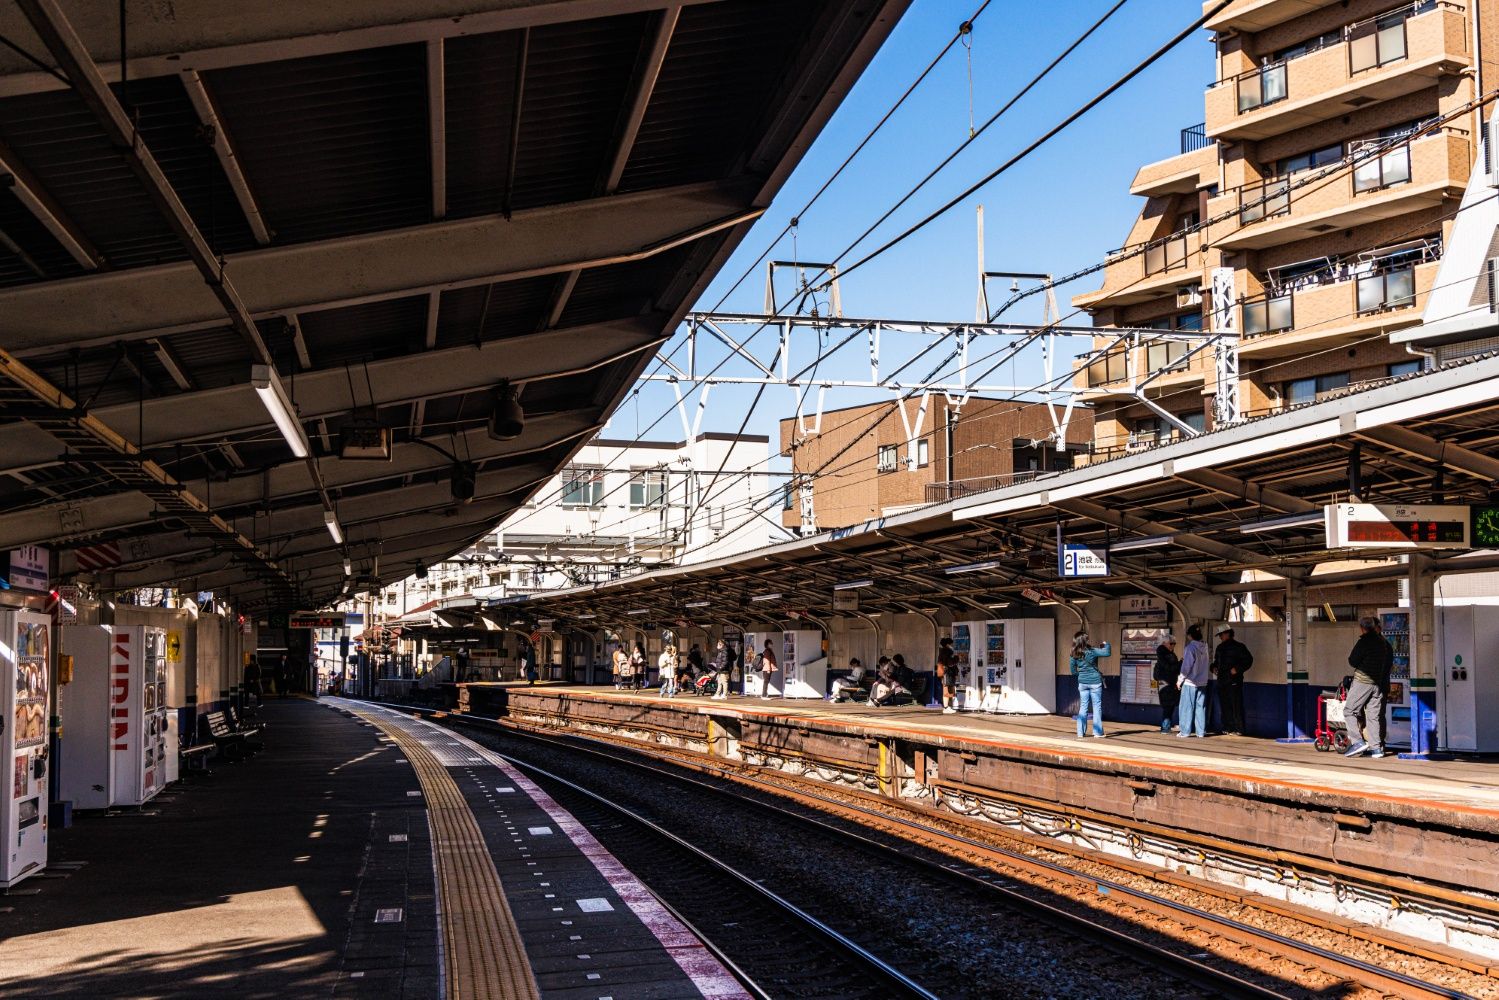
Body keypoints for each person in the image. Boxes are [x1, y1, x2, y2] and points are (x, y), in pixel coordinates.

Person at [1344, 616, 1394, 758]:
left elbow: (1352, 661)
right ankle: (1376, 749)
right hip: (1378, 684)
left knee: (1349, 711)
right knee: (1373, 716)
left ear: (1362, 628)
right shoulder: (1383, 643)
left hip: (1363, 681)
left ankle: (1357, 742)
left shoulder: (1364, 641)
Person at [1068, 631, 1112, 738]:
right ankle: (1097, 732)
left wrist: (1081, 675)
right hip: (1095, 683)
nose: (1089, 640)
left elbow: (1073, 671)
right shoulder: (1092, 651)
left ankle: (1080, 733)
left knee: (1083, 707)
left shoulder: (1073, 654)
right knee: (1097, 707)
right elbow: (1107, 653)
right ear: (1084, 640)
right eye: (1087, 639)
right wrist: (1106, 644)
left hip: (1082, 683)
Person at [1213, 626, 1254, 735]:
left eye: (1221, 635)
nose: (1220, 637)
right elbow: (1216, 662)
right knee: (1224, 705)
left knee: (1236, 705)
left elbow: (1248, 660)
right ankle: (1227, 727)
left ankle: (1238, 728)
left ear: (1227, 633)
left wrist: (1237, 669)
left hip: (1234, 681)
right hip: (1222, 681)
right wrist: (1213, 667)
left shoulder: (1239, 647)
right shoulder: (1219, 648)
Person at [1177, 624, 1211, 738]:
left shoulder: (1190, 648)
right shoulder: (1205, 647)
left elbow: (1186, 667)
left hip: (1190, 682)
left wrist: (1179, 680)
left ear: (1190, 636)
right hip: (1203, 681)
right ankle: (1200, 732)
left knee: (1186, 707)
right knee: (1200, 707)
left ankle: (1185, 731)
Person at [1153, 633, 1181, 733]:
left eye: (1174, 644)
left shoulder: (1169, 654)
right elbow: (1170, 668)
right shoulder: (1165, 655)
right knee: (1168, 706)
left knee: (1170, 705)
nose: (1173, 645)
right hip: (1166, 683)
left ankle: (1166, 727)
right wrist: (1180, 664)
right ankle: (1165, 727)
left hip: (1168, 683)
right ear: (1165, 643)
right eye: (1171, 643)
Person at [937, 636, 958, 714]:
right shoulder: (947, 651)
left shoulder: (942, 651)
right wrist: (956, 658)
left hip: (944, 673)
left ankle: (947, 707)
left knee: (946, 690)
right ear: (948, 644)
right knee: (947, 690)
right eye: (952, 644)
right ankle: (946, 707)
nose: (953, 645)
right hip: (947, 673)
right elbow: (950, 663)